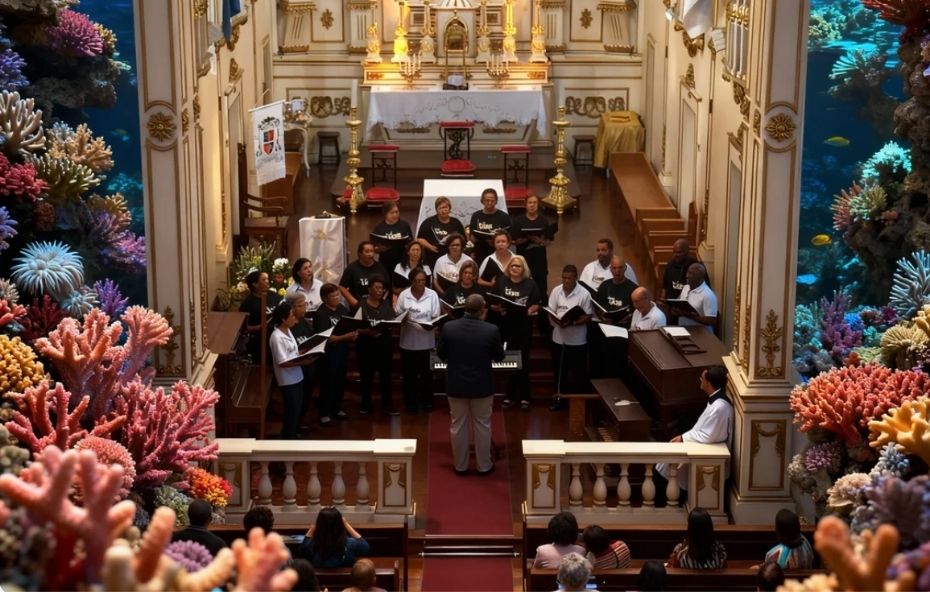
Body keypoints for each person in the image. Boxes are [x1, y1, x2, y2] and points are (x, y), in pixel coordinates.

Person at [437, 294, 505, 475]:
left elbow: (441, 354)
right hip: (482, 385)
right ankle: (484, 466)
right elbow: (499, 357)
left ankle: (460, 466)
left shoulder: (449, 328)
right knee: (483, 425)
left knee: (457, 425)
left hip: (456, 384)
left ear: (464, 308)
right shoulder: (491, 330)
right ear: (482, 309)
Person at [656, 365, 732, 499]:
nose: (700, 381)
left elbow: (708, 435)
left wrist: (683, 438)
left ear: (708, 383)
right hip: (700, 446)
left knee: (666, 471)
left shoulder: (720, 407)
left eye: (702, 379)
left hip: (707, 452)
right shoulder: (716, 403)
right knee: (663, 465)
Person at [492, 254, 540, 409]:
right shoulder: (501, 282)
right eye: (512, 265)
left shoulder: (530, 284)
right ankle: (510, 395)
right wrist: (498, 308)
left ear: (523, 268)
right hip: (506, 326)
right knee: (510, 361)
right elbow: (492, 302)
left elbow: (537, 303)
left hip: (523, 327)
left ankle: (525, 397)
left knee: (523, 362)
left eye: (518, 266)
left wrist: (532, 309)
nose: (514, 268)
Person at [396, 267, 441, 413]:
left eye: (423, 281)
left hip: (426, 342)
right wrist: (404, 318)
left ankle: (427, 402)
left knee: (426, 375)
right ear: (411, 281)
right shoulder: (404, 295)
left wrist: (431, 324)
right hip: (408, 342)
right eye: (417, 281)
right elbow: (398, 314)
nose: (420, 284)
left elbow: (436, 315)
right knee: (410, 376)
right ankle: (410, 403)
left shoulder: (432, 294)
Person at [548, 265, 593, 411]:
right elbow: (551, 311)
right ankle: (559, 400)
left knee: (578, 373)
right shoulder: (556, 290)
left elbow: (587, 316)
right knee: (559, 373)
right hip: (559, 339)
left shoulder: (584, 294)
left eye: (569, 278)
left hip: (577, 341)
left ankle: (579, 405)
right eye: (564, 278)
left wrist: (573, 322)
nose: (566, 281)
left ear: (576, 278)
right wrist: (559, 322)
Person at [313, 283, 358, 426]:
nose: (338, 297)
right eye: (334, 296)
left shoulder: (342, 309)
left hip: (342, 352)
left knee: (340, 381)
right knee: (328, 383)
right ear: (325, 298)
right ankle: (324, 412)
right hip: (328, 354)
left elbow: (350, 324)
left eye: (338, 294)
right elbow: (326, 338)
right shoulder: (321, 314)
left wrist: (353, 334)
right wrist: (345, 337)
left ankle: (336, 409)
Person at [269, 301, 315, 439]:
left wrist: (301, 353)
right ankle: (288, 439)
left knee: (296, 410)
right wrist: (304, 361)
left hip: (297, 376)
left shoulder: (288, 330)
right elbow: (282, 362)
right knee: (291, 411)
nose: (295, 318)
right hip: (287, 380)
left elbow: (291, 352)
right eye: (291, 316)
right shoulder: (277, 337)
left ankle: (293, 434)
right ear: (283, 319)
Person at [356, 276, 398, 416]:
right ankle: (365, 405)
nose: (380, 291)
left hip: (384, 345)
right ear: (369, 289)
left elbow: (393, 321)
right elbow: (354, 327)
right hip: (366, 346)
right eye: (377, 288)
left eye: (382, 288)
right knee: (366, 377)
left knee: (386, 377)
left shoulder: (386, 304)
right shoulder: (361, 305)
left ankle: (387, 405)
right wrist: (367, 331)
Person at [284, 292, 318, 427]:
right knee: (295, 402)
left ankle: (299, 423)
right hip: (296, 370)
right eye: (301, 305)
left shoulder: (304, 321)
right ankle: (293, 427)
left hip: (309, 367)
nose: (304, 308)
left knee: (306, 398)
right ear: (291, 308)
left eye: (305, 304)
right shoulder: (288, 326)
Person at [298, 507, 370, 568]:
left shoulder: (312, 544)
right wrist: (346, 524)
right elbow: (365, 547)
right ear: (340, 525)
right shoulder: (350, 543)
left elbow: (302, 551)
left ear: (319, 525)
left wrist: (311, 530)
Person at [511, 193, 554, 297]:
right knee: (523, 282)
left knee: (541, 284)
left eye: (535, 202)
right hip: (524, 258)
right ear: (525, 205)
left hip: (539, 259)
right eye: (530, 202)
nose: (532, 205)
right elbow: (514, 241)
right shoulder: (518, 221)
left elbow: (548, 241)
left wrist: (539, 240)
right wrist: (528, 237)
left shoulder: (543, 221)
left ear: (538, 205)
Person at [240, 269, 281, 363]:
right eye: (264, 279)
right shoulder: (248, 303)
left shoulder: (273, 296)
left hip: (278, 338)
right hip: (260, 342)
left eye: (267, 279)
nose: (267, 281)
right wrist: (261, 326)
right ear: (255, 284)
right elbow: (244, 328)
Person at [417, 196, 466, 268]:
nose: (443, 210)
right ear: (436, 210)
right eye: (440, 208)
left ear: (449, 208)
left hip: (452, 258)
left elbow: (463, 239)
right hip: (432, 257)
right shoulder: (428, 222)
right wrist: (431, 247)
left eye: (445, 207)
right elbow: (420, 239)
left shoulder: (456, 223)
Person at [339, 241, 390, 310]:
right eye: (367, 251)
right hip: (359, 306)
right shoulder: (352, 268)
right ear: (360, 254)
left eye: (372, 251)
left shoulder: (380, 267)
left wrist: (382, 301)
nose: (370, 254)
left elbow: (387, 287)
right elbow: (342, 287)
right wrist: (354, 303)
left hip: (377, 306)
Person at [467, 187, 511, 262]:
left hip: (498, 253)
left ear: (496, 201)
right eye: (487, 200)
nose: (489, 203)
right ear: (482, 201)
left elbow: (509, 238)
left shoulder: (504, 216)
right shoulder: (476, 216)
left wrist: (495, 241)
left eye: (492, 200)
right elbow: (472, 237)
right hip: (480, 252)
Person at [370, 200, 412, 278]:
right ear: (385, 214)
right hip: (385, 262)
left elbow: (411, 241)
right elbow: (374, 248)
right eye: (391, 213)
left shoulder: (404, 225)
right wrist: (380, 249)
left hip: (401, 261)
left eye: (396, 212)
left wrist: (407, 245)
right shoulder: (379, 228)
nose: (395, 215)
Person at [677, 262, 718, 332]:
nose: (687, 276)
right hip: (684, 330)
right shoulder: (686, 288)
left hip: (701, 335)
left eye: (692, 274)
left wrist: (689, 315)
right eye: (688, 272)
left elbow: (711, 321)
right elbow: (679, 302)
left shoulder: (708, 295)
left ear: (701, 277)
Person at [432, 232, 473, 297]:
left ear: (462, 246)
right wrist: (444, 295)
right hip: (444, 295)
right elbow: (435, 280)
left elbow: (472, 281)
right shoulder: (440, 261)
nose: (455, 247)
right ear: (448, 246)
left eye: (457, 245)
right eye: (452, 245)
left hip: (464, 296)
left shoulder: (469, 261)